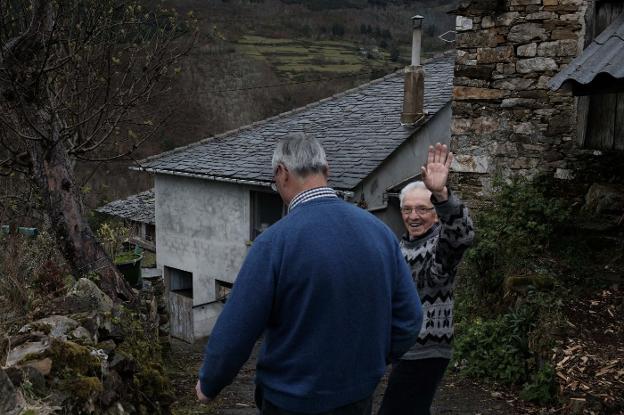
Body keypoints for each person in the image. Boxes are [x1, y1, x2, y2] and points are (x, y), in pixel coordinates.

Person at [195, 133, 423, 415]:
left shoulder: (274, 242)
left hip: (290, 401)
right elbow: (410, 319)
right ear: (326, 171)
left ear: (281, 173)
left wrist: (209, 383)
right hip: (357, 398)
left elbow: (237, 327)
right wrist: (372, 361)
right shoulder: (380, 233)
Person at [378, 143, 475, 415]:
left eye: (422, 208)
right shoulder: (399, 247)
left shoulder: (438, 245)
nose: (413, 216)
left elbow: (461, 237)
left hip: (426, 351)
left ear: (434, 214)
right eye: (407, 209)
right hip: (402, 349)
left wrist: (441, 195)